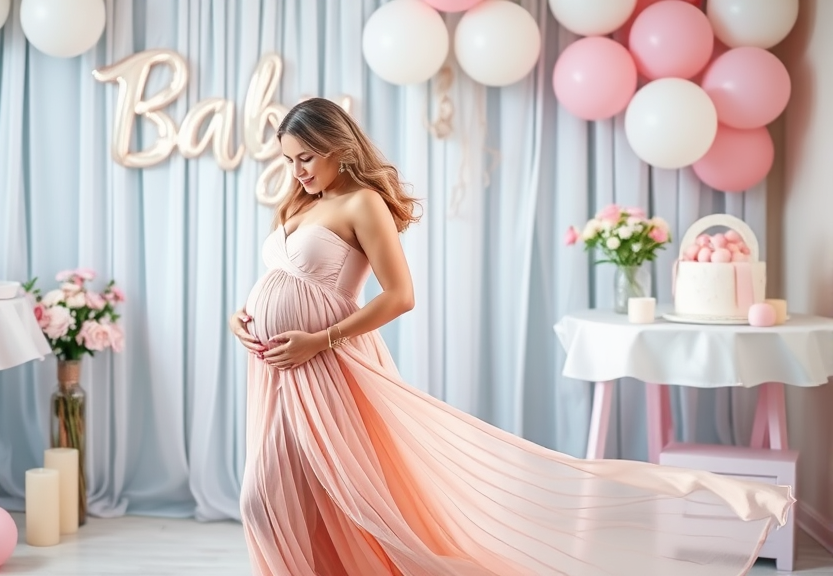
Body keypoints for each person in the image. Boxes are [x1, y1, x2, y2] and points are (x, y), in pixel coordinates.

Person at [229, 97, 793, 576]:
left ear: (338, 149)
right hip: (276, 367)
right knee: (296, 498)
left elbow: (400, 296)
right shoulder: (302, 201)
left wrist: (320, 339)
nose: (297, 171)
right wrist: (246, 314)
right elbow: (283, 275)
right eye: (289, 160)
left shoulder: (363, 203)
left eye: (306, 158)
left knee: (276, 498)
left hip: (326, 366)